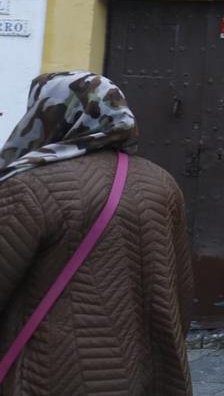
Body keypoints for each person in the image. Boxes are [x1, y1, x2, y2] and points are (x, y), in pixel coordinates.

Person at [0, 72, 193, 395]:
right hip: (153, 373)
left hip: (52, 374)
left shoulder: (30, 188)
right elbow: (182, 291)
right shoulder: (162, 183)